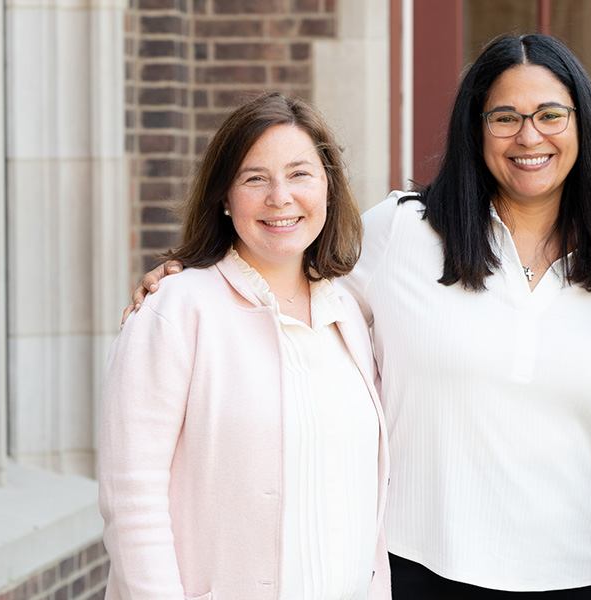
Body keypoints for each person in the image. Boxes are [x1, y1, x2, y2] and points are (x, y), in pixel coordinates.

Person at [127, 34, 591, 599]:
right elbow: (285, 271)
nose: (529, 136)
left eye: (551, 114)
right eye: (504, 116)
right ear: (474, 128)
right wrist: (189, 273)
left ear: (581, 122)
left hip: (580, 577)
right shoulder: (403, 232)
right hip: (417, 568)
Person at [100, 92, 391, 600]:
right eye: (255, 178)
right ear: (224, 196)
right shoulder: (177, 309)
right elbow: (132, 498)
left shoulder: (350, 311)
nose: (280, 196)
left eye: (300, 174)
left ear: (328, 187)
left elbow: (366, 499)